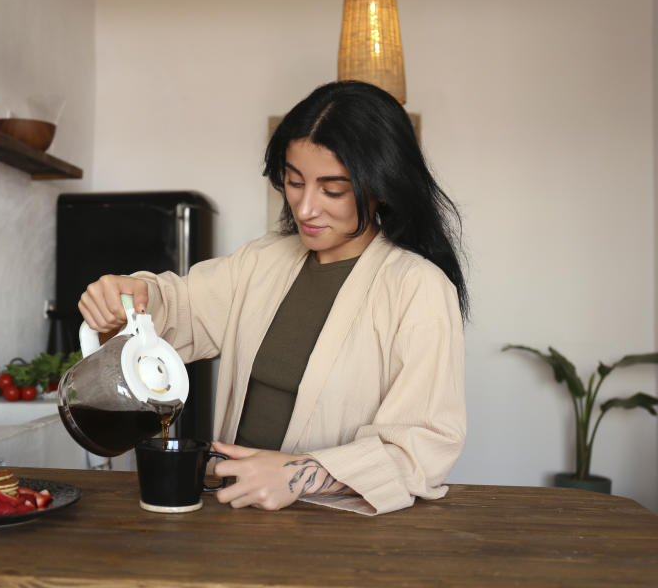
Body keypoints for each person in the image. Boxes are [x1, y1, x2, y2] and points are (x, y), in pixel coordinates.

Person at [79, 80, 468, 515]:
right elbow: (183, 308)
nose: (304, 208)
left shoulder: (419, 288)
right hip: (234, 512)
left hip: (337, 527)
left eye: (333, 190)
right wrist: (137, 294)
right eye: (294, 181)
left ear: (380, 187)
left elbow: (424, 445)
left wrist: (298, 474)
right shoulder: (265, 260)